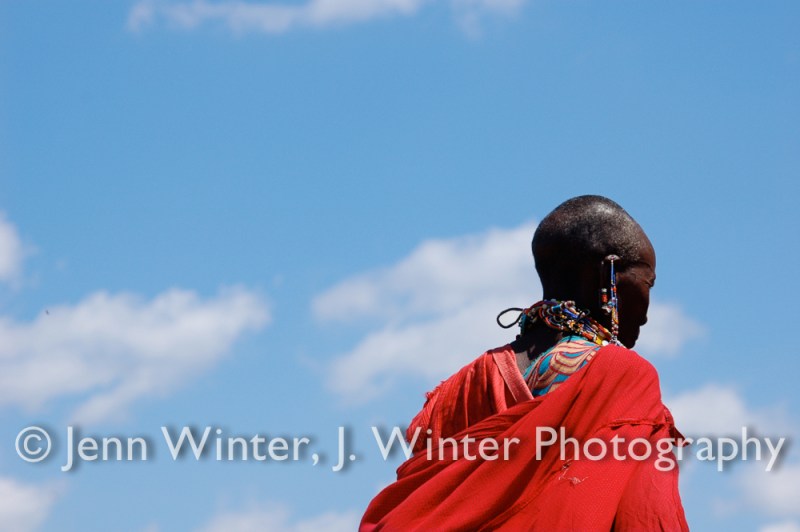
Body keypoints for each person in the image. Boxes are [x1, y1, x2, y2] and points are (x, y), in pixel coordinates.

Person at [360, 195, 689, 531]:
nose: (647, 313)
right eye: (647, 282)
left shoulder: (453, 395)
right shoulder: (621, 379)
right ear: (608, 274)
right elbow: (648, 516)